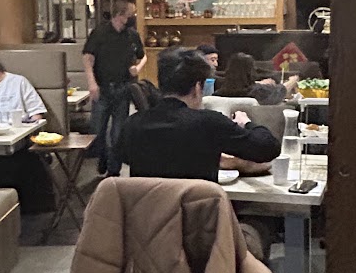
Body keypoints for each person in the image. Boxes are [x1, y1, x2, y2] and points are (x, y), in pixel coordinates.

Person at [118, 49, 281, 183]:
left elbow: (124, 157)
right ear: (197, 87)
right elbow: (269, 148)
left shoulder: (132, 124)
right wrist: (246, 123)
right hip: (198, 212)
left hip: (147, 212)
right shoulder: (210, 123)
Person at [83, 0, 146, 174]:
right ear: (120, 14)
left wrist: (137, 68)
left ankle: (114, 170)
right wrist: (91, 83)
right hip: (102, 87)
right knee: (97, 130)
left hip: (123, 87)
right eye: (131, 13)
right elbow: (87, 58)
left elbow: (143, 56)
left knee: (118, 132)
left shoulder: (132, 35)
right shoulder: (100, 33)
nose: (133, 17)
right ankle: (103, 156)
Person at [219, 51, 296, 105]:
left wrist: (259, 83)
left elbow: (240, 85)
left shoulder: (219, 92)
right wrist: (293, 80)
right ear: (250, 72)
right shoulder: (258, 92)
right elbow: (282, 90)